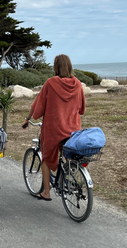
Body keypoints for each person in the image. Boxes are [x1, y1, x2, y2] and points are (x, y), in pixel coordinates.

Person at [22, 54, 85, 201]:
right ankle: (69, 176)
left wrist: (28, 119)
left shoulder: (50, 83)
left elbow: (37, 105)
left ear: (55, 67)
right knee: (68, 154)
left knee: (46, 158)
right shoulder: (77, 84)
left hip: (54, 129)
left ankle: (46, 193)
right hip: (73, 129)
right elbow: (81, 109)